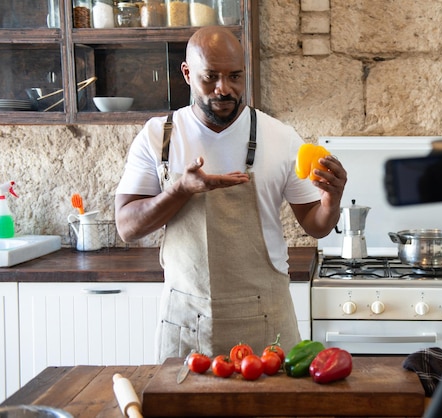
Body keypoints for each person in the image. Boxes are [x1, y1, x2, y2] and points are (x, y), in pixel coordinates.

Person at [115, 26, 347, 362]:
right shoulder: (159, 137)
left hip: (266, 316)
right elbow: (127, 228)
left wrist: (332, 200)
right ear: (187, 73)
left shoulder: (280, 137)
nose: (224, 89)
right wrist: (179, 190)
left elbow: (316, 226)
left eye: (235, 77)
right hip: (186, 320)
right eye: (210, 77)